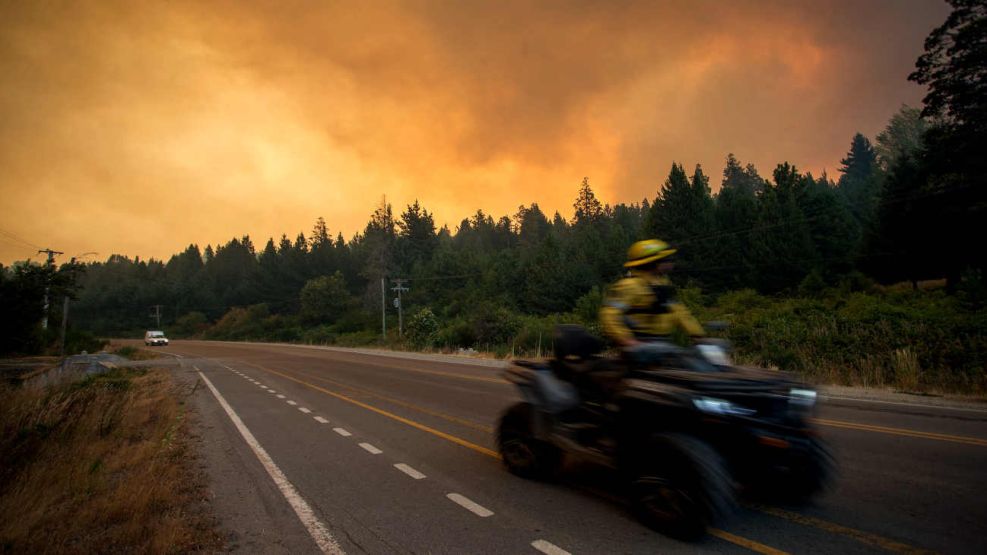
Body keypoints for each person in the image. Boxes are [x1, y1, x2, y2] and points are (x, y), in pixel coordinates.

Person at [599, 239, 704, 364]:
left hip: (663, 344)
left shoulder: (662, 284)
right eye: (666, 259)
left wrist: (698, 335)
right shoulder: (629, 286)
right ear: (652, 263)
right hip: (640, 347)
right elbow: (609, 315)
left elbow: (680, 312)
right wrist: (627, 341)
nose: (671, 262)